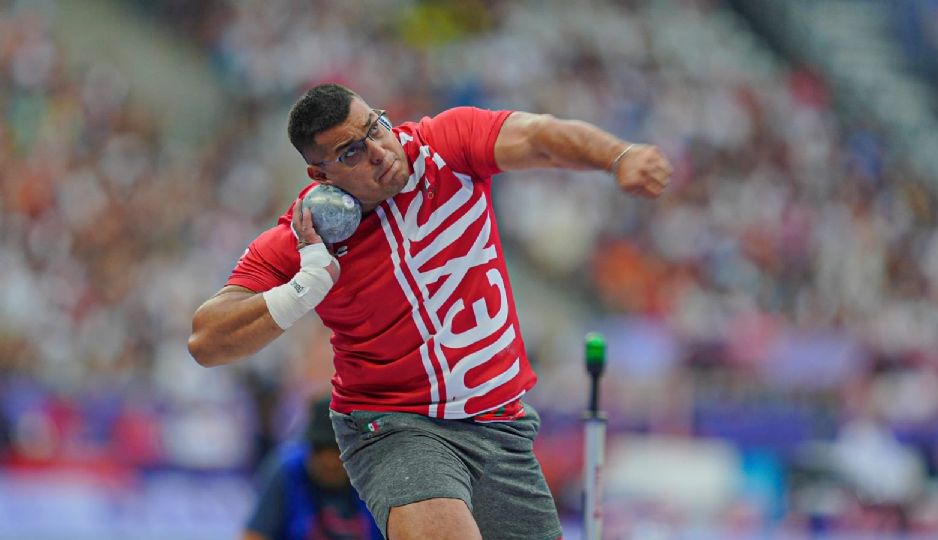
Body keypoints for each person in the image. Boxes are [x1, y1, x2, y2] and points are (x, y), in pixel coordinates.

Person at [189, 83, 671, 539]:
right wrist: (302, 288)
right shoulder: (309, 234)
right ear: (321, 175)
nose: (379, 151)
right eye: (351, 153)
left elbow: (538, 136)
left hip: (499, 423)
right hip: (396, 424)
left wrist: (617, 155)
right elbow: (206, 341)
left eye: (374, 128)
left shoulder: (447, 146)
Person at [242, 397, 382, 540]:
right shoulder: (287, 470)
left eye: (338, 450)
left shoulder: (374, 473)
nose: (329, 462)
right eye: (319, 448)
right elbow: (254, 535)